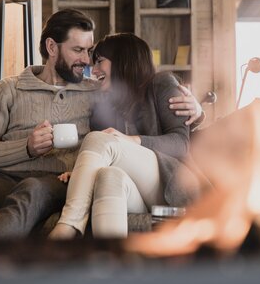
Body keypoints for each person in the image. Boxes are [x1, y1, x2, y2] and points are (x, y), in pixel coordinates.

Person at [0, 10, 202, 242]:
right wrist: (26, 147)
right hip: (9, 176)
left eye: (91, 53)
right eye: (78, 50)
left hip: (56, 180)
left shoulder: (98, 92)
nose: (87, 61)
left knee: (36, 186)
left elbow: (171, 135)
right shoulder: (9, 89)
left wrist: (199, 113)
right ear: (52, 47)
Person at [49, 33, 202, 240]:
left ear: (123, 60)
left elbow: (180, 143)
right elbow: (111, 157)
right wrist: (82, 172)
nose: (93, 70)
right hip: (142, 196)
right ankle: (110, 263)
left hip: (177, 189)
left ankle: (68, 226)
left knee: (99, 138)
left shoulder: (162, 82)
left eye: (100, 61)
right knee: (109, 176)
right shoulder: (111, 104)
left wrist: (132, 140)